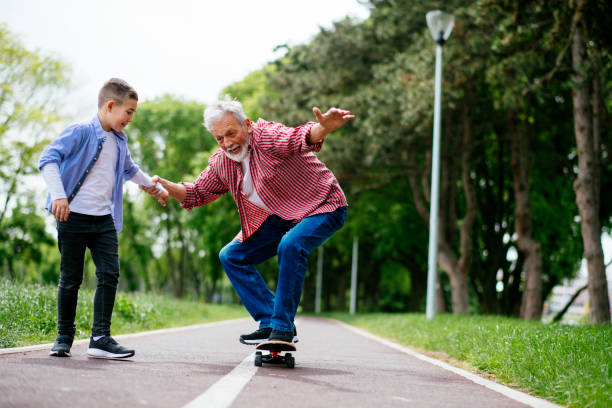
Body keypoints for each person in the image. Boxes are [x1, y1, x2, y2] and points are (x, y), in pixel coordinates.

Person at [142, 96, 353, 345]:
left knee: (291, 245)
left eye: (231, 133)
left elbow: (299, 138)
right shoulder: (223, 162)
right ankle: (269, 320)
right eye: (219, 138)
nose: (227, 143)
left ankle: (283, 327)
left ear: (247, 125)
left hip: (323, 205)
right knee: (231, 256)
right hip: (282, 216)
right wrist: (167, 186)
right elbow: (196, 193)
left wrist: (325, 127)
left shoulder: (267, 136)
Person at [39, 78, 168, 359]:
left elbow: (131, 170)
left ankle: (100, 337)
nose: (131, 119)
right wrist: (59, 195)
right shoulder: (81, 131)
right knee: (70, 278)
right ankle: (63, 337)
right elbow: (48, 158)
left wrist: (156, 189)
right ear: (111, 105)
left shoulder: (120, 140)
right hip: (72, 216)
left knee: (109, 275)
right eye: (129, 112)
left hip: (103, 221)